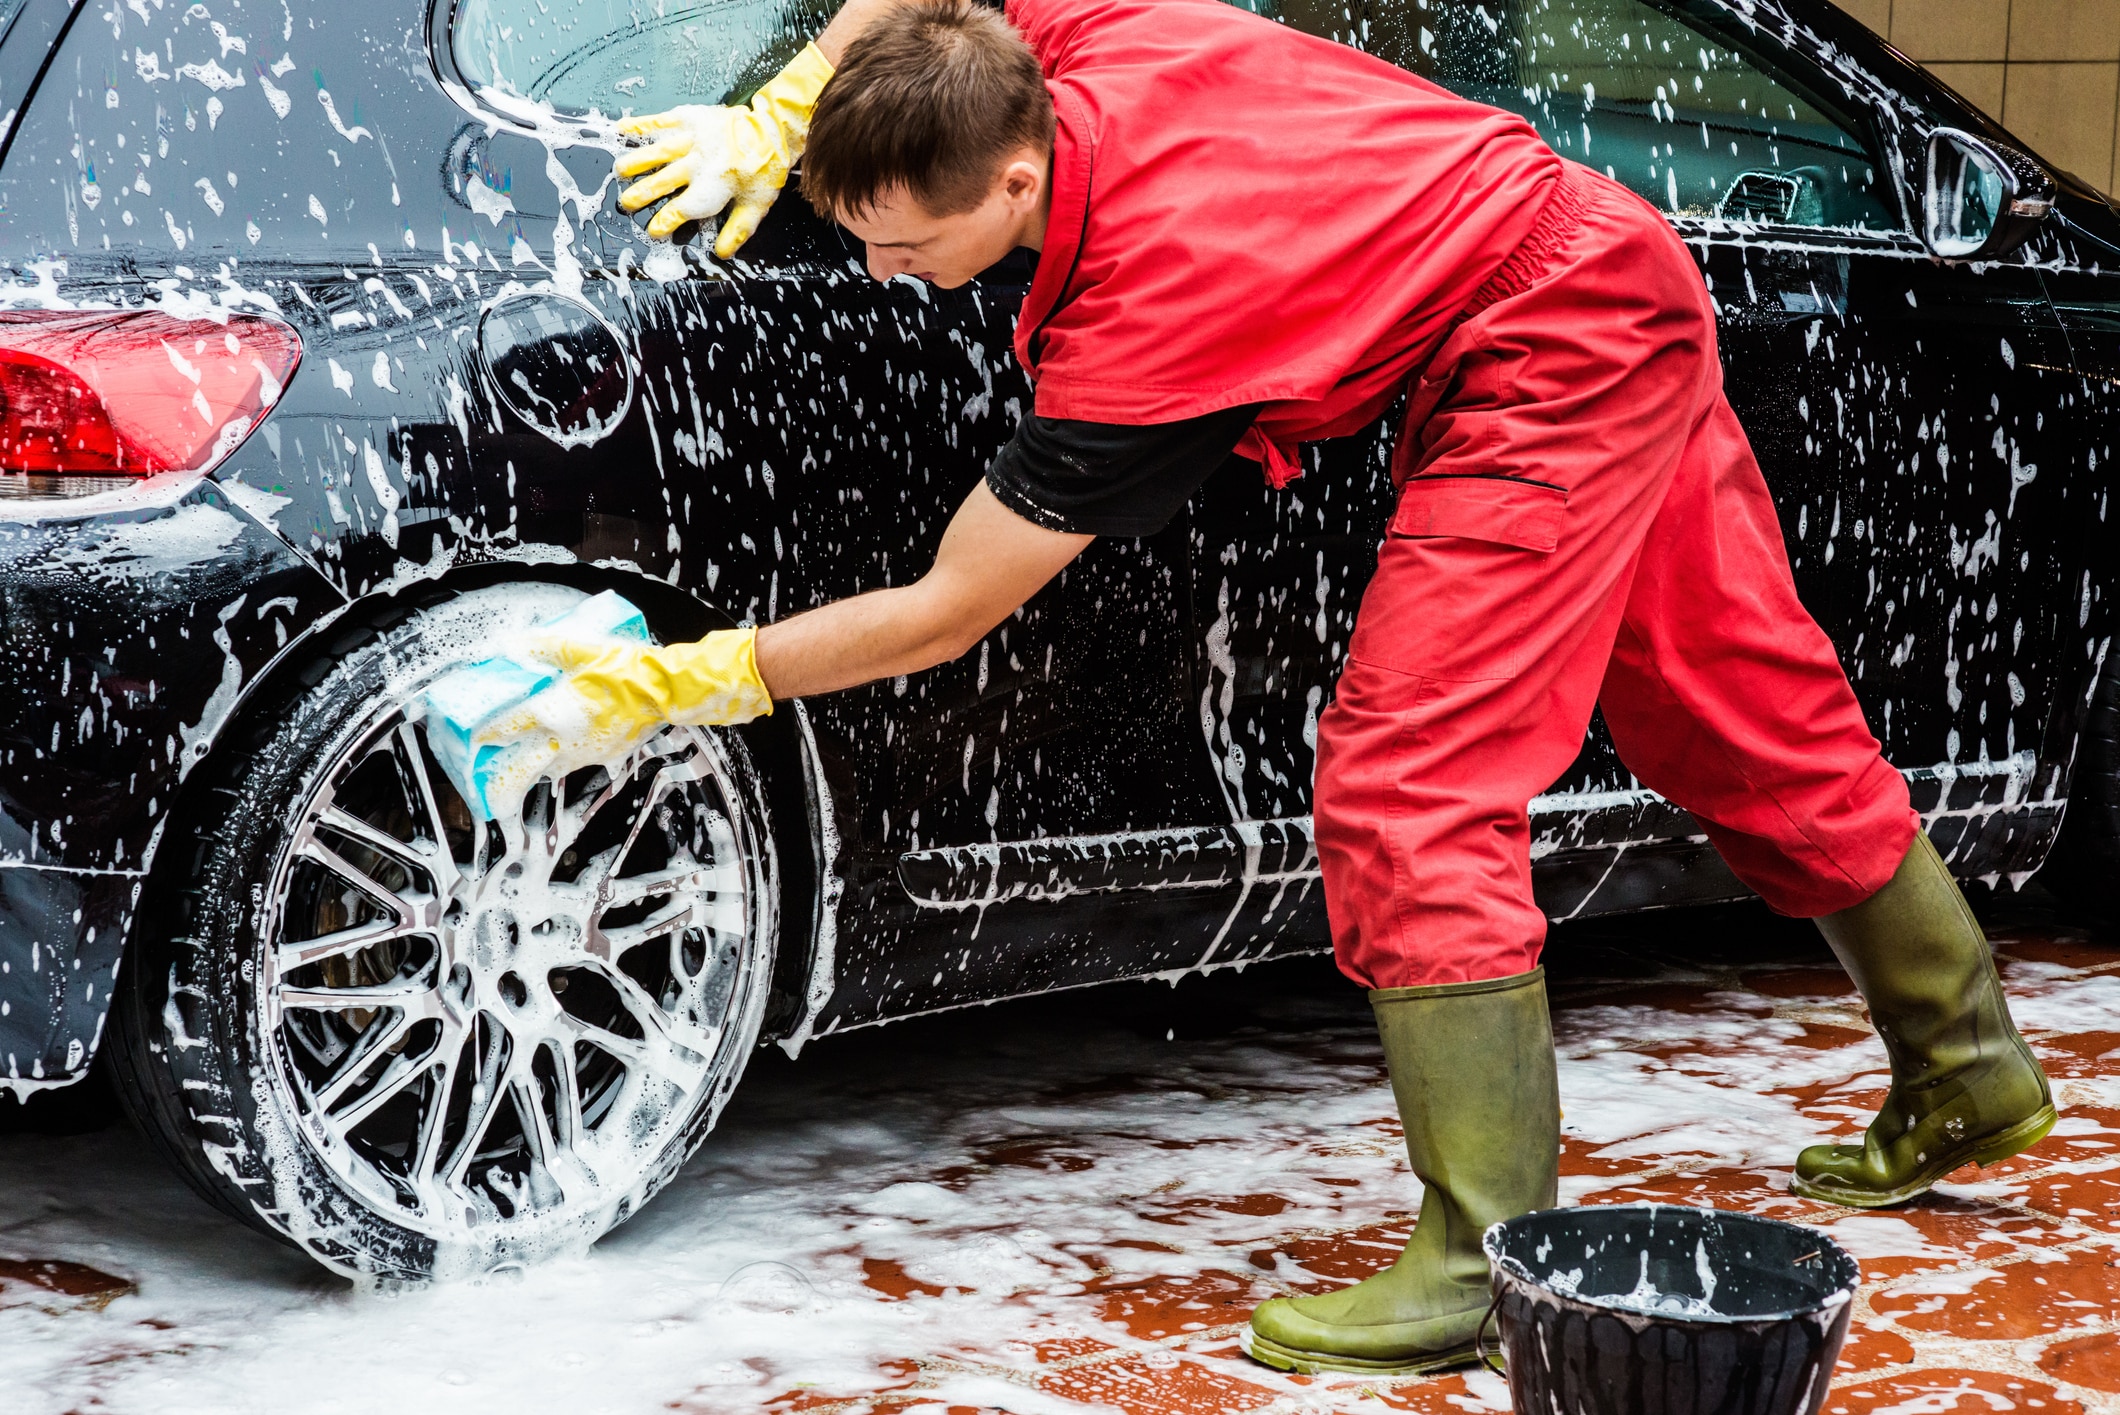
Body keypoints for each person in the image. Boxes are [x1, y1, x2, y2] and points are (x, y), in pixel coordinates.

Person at [479, 0, 2057, 1375]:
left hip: (1550, 336)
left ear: (1017, 178)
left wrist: (699, 679)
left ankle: (1483, 1262)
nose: (889, 275)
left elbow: (950, 612)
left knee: (1411, 774)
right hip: (1593, 261)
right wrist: (789, 97)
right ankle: (1969, 1066)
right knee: (1729, 703)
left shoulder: (1153, 316)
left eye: (910, 243)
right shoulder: (1074, 40)